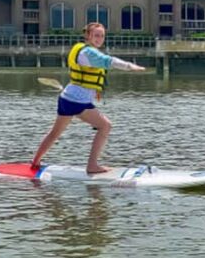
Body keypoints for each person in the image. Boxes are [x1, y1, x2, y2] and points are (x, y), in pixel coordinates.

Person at [31, 22, 145, 174]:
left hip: (66, 98)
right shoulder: (89, 53)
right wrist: (131, 66)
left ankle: (35, 161)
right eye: (96, 35)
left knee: (55, 133)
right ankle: (92, 166)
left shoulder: (82, 50)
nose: (99, 39)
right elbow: (108, 61)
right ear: (88, 36)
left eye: (102, 36)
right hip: (78, 101)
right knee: (105, 126)